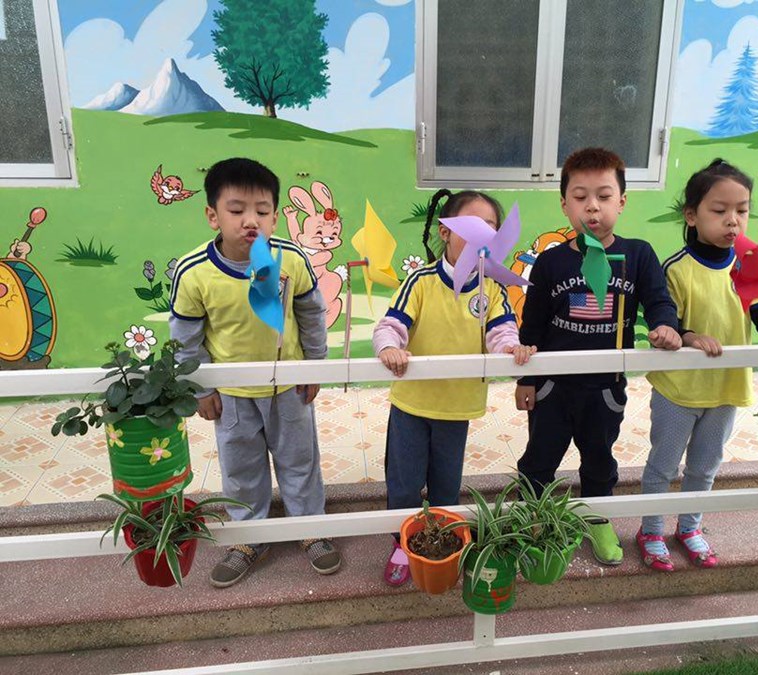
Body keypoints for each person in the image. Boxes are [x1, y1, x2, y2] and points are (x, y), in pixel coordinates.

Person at [639, 159, 758, 571]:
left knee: (705, 466)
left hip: (726, 388)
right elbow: (664, 318)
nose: (733, 220)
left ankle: (690, 527)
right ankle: (650, 530)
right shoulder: (676, 268)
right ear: (692, 215)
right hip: (678, 390)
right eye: (719, 210)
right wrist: (688, 337)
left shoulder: (748, 265)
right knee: (663, 465)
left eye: (742, 210)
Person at [169, 157, 340, 587]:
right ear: (212, 215)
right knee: (241, 468)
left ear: (275, 217)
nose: (251, 220)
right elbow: (186, 338)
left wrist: (314, 365)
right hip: (232, 394)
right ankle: (249, 536)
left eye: (262, 211)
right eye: (237, 209)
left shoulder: (291, 259)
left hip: (289, 387)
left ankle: (310, 527)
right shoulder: (193, 272)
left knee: (300, 460)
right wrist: (200, 387)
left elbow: (311, 314)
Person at [515, 147, 682, 566]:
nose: (592, 206)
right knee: (540, 458)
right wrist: (526, 379)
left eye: (604, 196)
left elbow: (659, 301)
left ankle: (597, 518)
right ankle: (533, 518)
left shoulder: (639, 255)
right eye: (580, 196)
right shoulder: (550, 262)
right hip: (552, 387)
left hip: (605, 388)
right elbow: (533, 324)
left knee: (599, 459)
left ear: (621, 202)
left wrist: (666, 326)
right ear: (564, 204)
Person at [373, 189, 536, 586]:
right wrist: (390, 346)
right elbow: (391, 324)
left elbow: (501, 330)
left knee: (447, 483)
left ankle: (443, 538)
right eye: (473, 226)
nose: (485, 235)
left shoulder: (492, 287)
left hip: (457, 405)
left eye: (492, 227)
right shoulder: (421, 281)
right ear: (446, 232)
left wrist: (510, 348)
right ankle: (402, 541)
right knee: (405, 482)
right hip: (412, 404)